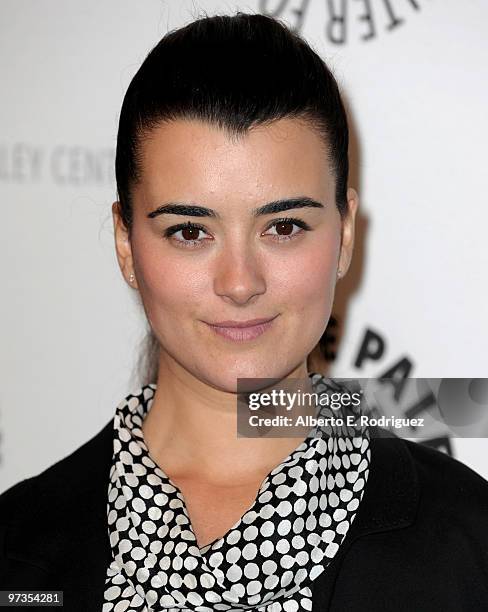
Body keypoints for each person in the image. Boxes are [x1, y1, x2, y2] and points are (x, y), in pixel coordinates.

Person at [1, 12, 487, 612]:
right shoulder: (17, 547)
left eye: (283, 227)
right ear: (127, 245)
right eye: (189, 231)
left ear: (345, 235)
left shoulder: (470, 546)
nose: (239, 283)